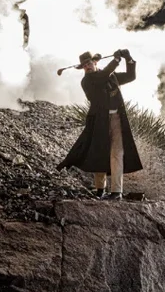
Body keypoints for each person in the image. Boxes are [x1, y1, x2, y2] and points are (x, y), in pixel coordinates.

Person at [57, 48, 143, 199]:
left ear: (95, 62)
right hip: (99, 121)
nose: (87, 67)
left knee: (117, 153)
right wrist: (116, 60)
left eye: (89, 63)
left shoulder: (110, 76)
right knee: (100, 152)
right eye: (84, 65)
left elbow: (131, 76)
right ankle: (100, 189)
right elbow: (102, 76)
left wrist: (129, 59)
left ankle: (117, 192)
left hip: (116, 117)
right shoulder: (88, 80)